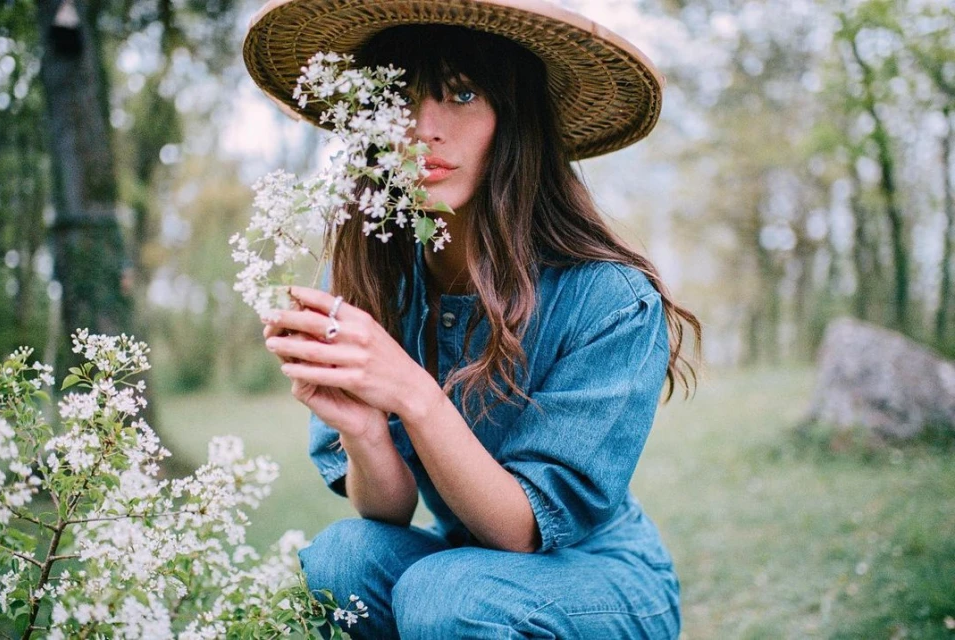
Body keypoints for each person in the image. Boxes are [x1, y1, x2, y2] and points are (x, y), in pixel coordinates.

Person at [244, 0, 701, 637]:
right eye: (400, 99)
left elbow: (520, 531)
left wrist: (410, 391)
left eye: (462, 94)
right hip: (465, 563)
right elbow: (388, 514)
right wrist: (364, 429)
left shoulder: (611, 300)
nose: (424, 128)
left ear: (515, 124)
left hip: (598, 577)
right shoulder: (367, 279)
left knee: (449, 593)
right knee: (341, 559)